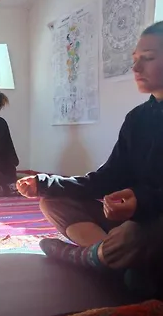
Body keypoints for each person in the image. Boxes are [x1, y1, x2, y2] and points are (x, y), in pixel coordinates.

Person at [16, 21, 163, 293]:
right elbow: (106, 178)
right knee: (53, 201)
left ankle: (99, 258)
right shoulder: (137, 119)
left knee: (137, 234)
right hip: (135, 221)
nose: (136, 68)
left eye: (148, 58)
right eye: (135, 59)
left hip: (150, 225)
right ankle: (107, 258)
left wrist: (141, 204)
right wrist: (46, 183)